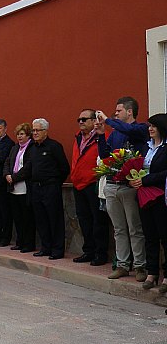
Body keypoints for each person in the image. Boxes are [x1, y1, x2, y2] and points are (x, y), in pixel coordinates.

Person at [95, 96, 148, 281]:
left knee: (135, 228)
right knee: (119, 229)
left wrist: (109, 121)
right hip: (112, 185)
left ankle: (140, 266)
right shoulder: (116, 132)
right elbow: (105, 155)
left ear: (129, 111)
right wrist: (102, 134)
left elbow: (129, 129)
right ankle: (123, 265)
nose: (115, 114)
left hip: (129, 186)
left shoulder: (140, 129)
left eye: (118, 111)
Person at [129, 113, 167, 292]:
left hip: (161, 197)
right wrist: (132, 177)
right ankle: (152, 273)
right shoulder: (146, 147)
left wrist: (146, 180)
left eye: (153, 126)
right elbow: (137, 166)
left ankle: (166, 276)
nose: (150, 129)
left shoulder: (166, 148)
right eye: (149, 126)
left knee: (164, 237)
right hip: (144, 197)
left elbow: (165, 173)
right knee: (149, 235)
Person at [25, 118, 70, 260]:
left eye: (38, 130)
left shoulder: (54, 146)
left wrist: (55, 183)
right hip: (36, 188)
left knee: (54, 219)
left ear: (45, 131)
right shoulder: (32, 148)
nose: (35, 133)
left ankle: (57, 250)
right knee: (41, 219)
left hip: (51, 187)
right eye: (33, 130)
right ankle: (46, 247)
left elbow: (64, 168)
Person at [70, 110, 109, 266]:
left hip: (93, 183)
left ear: (94, 121)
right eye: (79, 119)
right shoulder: (78, 138)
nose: (80, 122)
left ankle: (101, 253)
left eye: (84, 119)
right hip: (78, 184)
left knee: (98, 220)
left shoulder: (101, 137)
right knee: (84, 219)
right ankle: (89, 251)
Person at [3, 123, 35, 252]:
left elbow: (28, 167)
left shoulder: (31, 148)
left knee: (27, 218)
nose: (19, 137)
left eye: (22, 134)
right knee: (18, 218)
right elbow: (7, 162)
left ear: (28, 135)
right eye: (18, 134)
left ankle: (29, 244)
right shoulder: (15, 148)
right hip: (13, 188)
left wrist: (15, 177)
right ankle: (20, 242)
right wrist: (7, 174)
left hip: (25, 188)